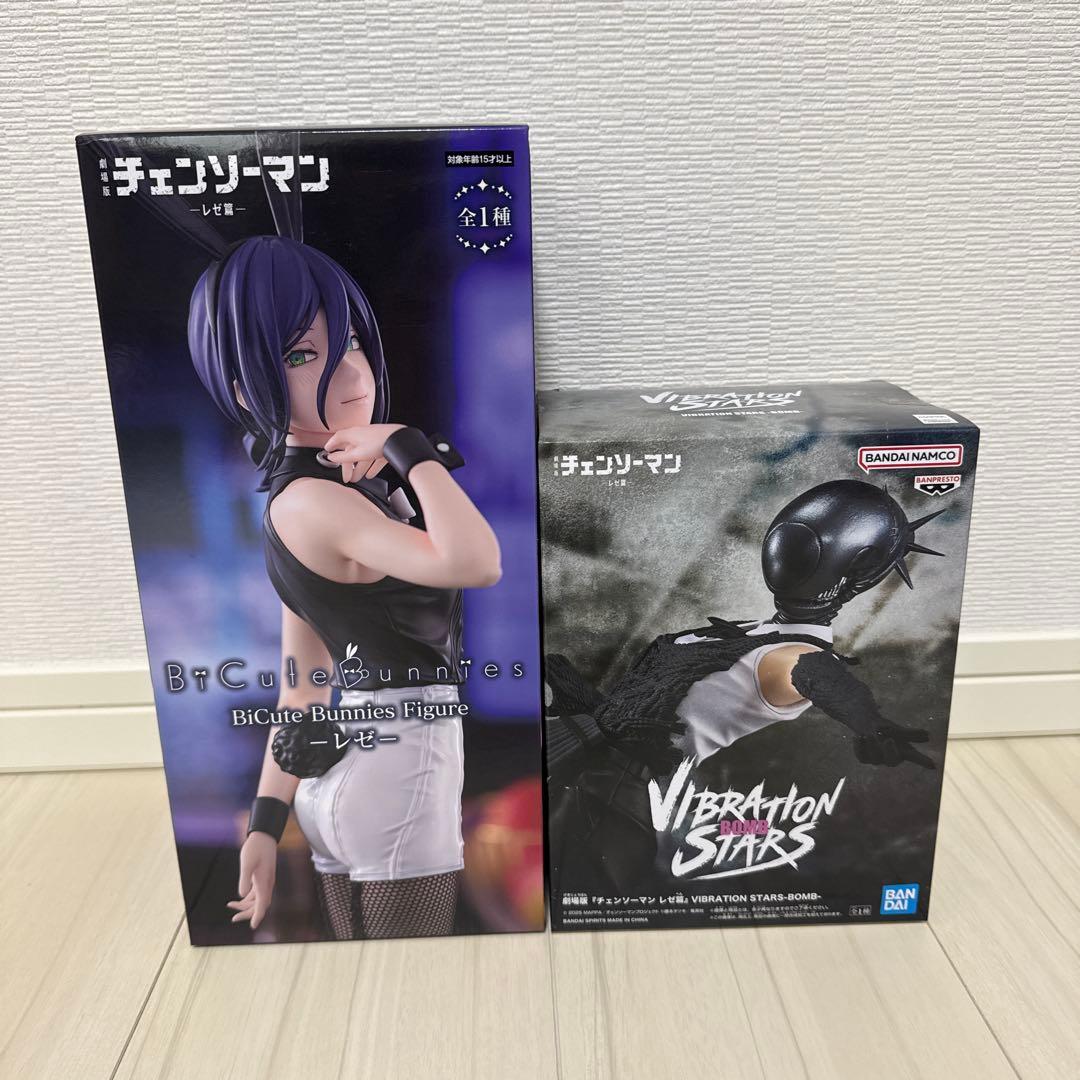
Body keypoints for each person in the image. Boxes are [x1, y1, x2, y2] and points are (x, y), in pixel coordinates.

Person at [188, 235, 501, 938]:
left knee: (366, 978)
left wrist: (264, 826)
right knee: (413, 983)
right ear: (244, 388)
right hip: (403, 766)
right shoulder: (319, 502)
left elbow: (302, 688)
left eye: (352, 341)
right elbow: (477, 561)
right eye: (303, 356)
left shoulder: (298, 498)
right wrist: (408, 445)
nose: (352, 372)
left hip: (339, 779)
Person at [545, 479, 943, 892]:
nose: (786, 546)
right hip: (583, 766)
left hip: (609, 801)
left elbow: (815, 674)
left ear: (857, 568)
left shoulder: (789, 655)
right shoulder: (752, 633)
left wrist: (868, 722)